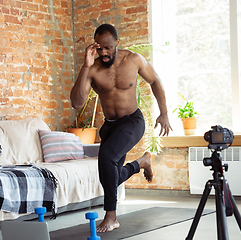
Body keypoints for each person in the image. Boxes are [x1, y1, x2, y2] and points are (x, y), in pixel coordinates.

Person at [70, 23, 172, 232]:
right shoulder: (93, 69)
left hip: (132, 121)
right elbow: (77, 103)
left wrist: (164, 113)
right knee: (109, 178)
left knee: (106, 156)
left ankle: (111, 217)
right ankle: (142, 162)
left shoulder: (133, 60)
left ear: (116, 43)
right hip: (111, 126)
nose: (104, 53)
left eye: (108, 48)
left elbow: (155, 81)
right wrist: (85, 66)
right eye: (100, 49)